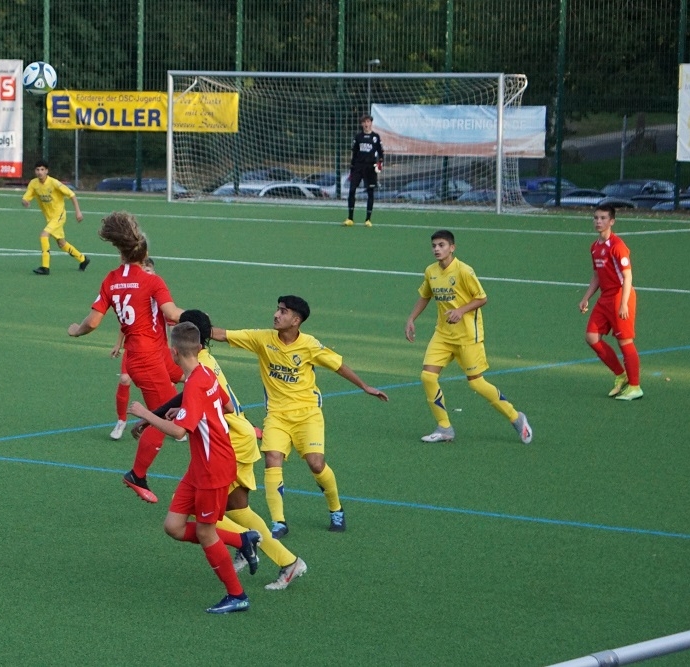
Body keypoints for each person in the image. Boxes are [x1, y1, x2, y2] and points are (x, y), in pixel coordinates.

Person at [132, 310, 308, 590]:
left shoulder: (198, 366)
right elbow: (206, 399)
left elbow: (191, 402)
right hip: (237, 437)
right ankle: (274, 556)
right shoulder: (205, 361)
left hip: (228, 443)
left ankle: (261, 551)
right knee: (236, 510)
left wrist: (149, 415)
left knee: (200, 512)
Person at [211, 296, 389, 538]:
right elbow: (223, 334)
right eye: (277, 309)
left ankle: (336, 509)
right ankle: (278, 522)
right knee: (272, 458)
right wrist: (191, 325)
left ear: (296, 320)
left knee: (316, 463)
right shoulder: (262, 339)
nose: (276, 315)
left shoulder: (310, 345)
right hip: (277, 415)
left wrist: (365, 386)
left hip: (308, 414)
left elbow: (337, 365)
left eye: (283, 311)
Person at [127, 322, 262, 614]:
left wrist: (146, 414)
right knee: (173, 527)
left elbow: (178, 432)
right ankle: (243, 539)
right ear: (199, 348)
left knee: (205, 532)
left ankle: (237, 595)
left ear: (173, 352)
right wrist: (190, 410)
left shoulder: (195, 383)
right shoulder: (206, 373)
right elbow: (226, 406)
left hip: (213, 469)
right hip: (201, 466)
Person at [68, 212, 183, 502]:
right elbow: (172, 313)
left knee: (197, 378)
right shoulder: (152, 281)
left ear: (120, 252)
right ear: (144, 254)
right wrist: (199, 318)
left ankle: (236, 422)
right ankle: (137, 475)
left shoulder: (111, 279)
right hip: (149, 360)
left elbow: (93, 322)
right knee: (172, 424)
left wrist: (75, 330)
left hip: (150, 356)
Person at [405, 230, 533, 443]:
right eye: (434, 245)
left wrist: (460, 310)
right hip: (443, 335)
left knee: (477, 384)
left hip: (467, 337)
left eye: (441, 245)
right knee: (427, 376)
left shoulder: (464, 271)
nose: (437, 249)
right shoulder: (430, 271)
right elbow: (425, 295)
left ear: (452, 248)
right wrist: (411, 318)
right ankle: (444, 427)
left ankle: (515, 417)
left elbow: (482, 298)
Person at [108, 257, 184, 440]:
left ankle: (176, 420)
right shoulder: (136, 293)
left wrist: (172, 348)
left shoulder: (159, 298)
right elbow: (125, 323)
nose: (146, 274)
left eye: (149, 271)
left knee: (183, 379)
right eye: (144, 271)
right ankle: (121, 421)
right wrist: (118, 343)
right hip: (134, 350)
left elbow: (172, 319)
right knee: (125, 379)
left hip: (157, 351)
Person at [579, 205, 642, 400]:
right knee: (592, 337)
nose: (598, 221)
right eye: (596, 218)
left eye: (603, 218)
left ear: (612, 221)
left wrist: (623, 303)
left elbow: (627, 276)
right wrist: (586, 297)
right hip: (605, 298)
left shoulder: (617, 246)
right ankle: (621, 375)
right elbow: (597, 276)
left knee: (625, 341)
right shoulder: (595, 247)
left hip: (620, 296)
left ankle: (635, 387)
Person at [21, 160, 89, 275]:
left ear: (47, 171)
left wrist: (78, 212)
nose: (40, 172)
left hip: (59, 215)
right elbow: (26, 198)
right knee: (61, 243)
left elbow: (72, 195)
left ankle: (45, 267)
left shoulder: (54, 183)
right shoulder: (33, 183)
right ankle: (83, 259)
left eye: (42, 169)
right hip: (49, 218)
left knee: (44, 235)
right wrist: (25, 202)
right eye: (37, 170)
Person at [343, 114, 384, 228]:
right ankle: (350, 218)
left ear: (371, 123)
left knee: (370, 192)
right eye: (364, 122)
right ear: (361, 124)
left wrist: (380, 163)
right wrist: (352, 167)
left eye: (368, 122)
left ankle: (368, 219)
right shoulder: (358, 137)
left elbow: (380, 152)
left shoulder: (376, 137)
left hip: (370, 167)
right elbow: (354, 152)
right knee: (352, 190)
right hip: (358, 167)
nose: (366, 124)